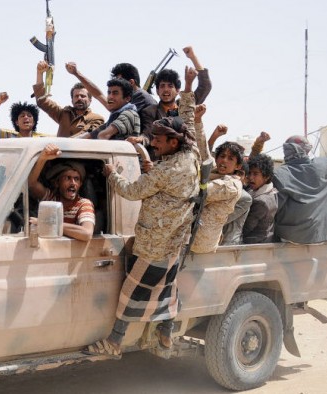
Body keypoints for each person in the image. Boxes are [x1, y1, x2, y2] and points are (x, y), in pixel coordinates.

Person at [84, 69, 200, 358]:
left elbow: (132, 192)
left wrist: (111, 174)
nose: (155, 143)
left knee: (130, 293)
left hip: (154, 245)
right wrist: (187, 86)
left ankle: (114, 342)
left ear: (174, 142)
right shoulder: (192, 152)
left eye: (159, 140)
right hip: (175, 242)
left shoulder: (166, 171)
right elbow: (188, 119)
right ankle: (165, 335)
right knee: (166, 288)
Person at [272, 125, 327, 243]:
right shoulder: (324, 166)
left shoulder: (279, 174)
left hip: (288, 237)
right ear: (307, 150)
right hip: (322, 235)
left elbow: (274, 208)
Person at [190, 89, 243, 253]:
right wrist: (198, 120)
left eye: (230, 159)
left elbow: (200, 192)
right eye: (222, 156)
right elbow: (203, 149)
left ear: (238, 166)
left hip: (200, 243)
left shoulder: (231, 185)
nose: (224, 161)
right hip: (189, 237)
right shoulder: (214, 169)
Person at [138, 46, 212, 138]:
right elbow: (148, 134)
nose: (166, 89)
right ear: (157, 91)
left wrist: (193, 57)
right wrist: (141, 139)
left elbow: (205, 86)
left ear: (177, 90)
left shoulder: (186, 105)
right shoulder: (150, 112)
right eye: (162, 86)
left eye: (170, 86)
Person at [28, 144, 95, 241]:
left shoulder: (84, 204)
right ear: (57, 183)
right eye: (68, 178)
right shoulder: (52, 199)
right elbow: (32, 184)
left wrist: (44, 223)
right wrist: (42, 159)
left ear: (80, 184)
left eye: (76, 179)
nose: (73, 183)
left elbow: (86, 233)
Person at [33, 61, 106, 137]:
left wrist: (59, 142)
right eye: (76, 96)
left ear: (90, 100)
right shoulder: (64, 114)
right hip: (60, 148)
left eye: (83, 96)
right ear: (72, 100)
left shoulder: (97, 118)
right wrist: (39, 73)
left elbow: (85, 135)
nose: (79, 98)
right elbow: (42, 101)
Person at [65, 61, 156, 113]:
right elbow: (98, 95)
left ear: (131, 82)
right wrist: (77, 74)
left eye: (119, 82)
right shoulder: (125, 100)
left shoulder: (140, 97)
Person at [73, 78, 140, 140]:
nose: (110, 97)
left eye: (115, 93)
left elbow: (103, 135)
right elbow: (90, 135)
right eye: (109, 93)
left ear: (127, 98)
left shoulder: (128, 114)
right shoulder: (116, 116)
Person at [242, 154, 278, 244]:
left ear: (266, 177)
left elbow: (246, 228)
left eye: (255, 174)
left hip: (253, 243)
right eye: (249, 173)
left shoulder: (261, 201)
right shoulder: (269, 191)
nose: (250, 177)